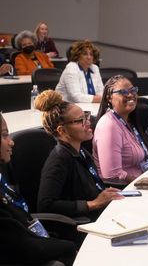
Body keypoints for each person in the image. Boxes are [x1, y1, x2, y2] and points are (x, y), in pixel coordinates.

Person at [0, 113, 77, 266]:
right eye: (4, 135)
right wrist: (70, 247)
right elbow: (19, 244)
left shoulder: (4, 177)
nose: (11, 143)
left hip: (34, 242)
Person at [35, 90, 123, 222]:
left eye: (86, 116)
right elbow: (45, 205)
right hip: (82, 224)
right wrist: (93, 204)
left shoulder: (80, 150)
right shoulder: (59, 159)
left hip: (101, 215)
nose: (88, 123)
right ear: (62, 130)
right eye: (80, 121)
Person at [93, 75, 148, 183]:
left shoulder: (129, 120)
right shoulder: (109, 125)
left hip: (142, 182)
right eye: (123, 92)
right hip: (125, 190)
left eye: (133, 90)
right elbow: (112, 174)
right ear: (109, 97)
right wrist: (141, 182)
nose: (130, 95)